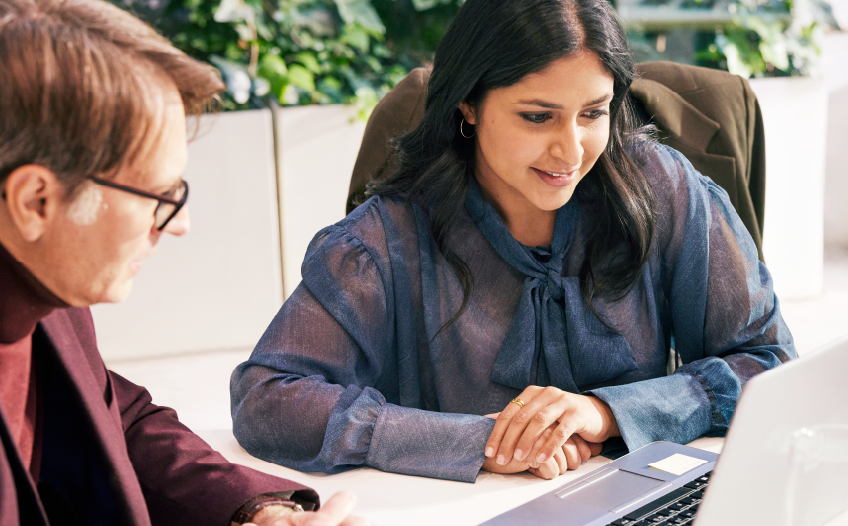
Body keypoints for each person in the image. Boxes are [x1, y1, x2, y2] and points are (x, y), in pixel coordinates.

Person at [230, 0, 796, 484]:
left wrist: (609, 414)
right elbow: (267, 399)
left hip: (634, 498)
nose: (571, 151)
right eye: (537, 116)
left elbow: (769, 363)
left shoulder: (661, 188)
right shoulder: (388, 236)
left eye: (592, 113)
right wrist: (484, 443)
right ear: (468, 106)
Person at [0, 0, 370, 524]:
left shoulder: (31, 271)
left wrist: (258, 514)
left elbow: (117, 421)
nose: (178, 224)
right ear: (35, 199)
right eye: (159, 194)